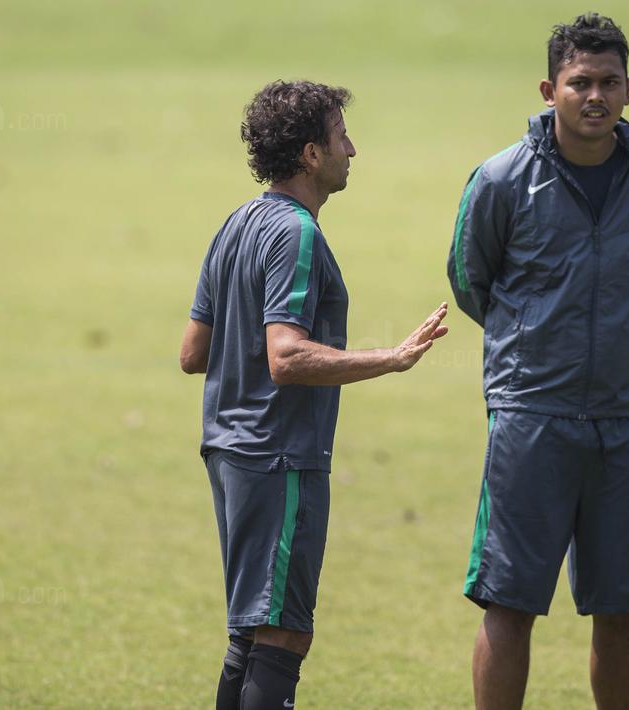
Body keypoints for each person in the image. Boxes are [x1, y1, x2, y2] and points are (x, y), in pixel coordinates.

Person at [180, 80, 448, 710]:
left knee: (251, 633)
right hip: (278, 458)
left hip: (229, 455)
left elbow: (193, 353)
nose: (352, 149)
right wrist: (393, 358)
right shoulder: (297, 234)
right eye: (340, 137)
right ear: (310, 154)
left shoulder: (235, 225)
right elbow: (287, 356)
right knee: (282, 635)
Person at [447, 13, 629, 710]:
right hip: (530, 416)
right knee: (509, 601)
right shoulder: (499, 179)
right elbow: (469, 279)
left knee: (622, 604)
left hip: (621, 417)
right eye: (580, 82)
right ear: (549, 89)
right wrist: (530, 343)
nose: (594, 96)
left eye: (609, 82)